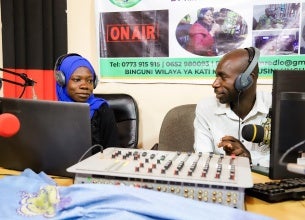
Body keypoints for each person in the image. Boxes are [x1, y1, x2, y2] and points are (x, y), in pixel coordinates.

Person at [193, 47, 271, 167]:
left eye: (223, 77)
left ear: (247, 80)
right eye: (216, 76)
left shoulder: (276, 106)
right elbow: (203, 160)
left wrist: (249, 160)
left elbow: (289, 160)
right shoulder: (205, 108)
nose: (215, 84)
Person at [54, 53, 119, 153]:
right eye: (77, 80)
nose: (85, 86)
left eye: (89, 81)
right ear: (62, 81)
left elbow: (112, 151)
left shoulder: (102, 110)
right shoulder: (52, 111)